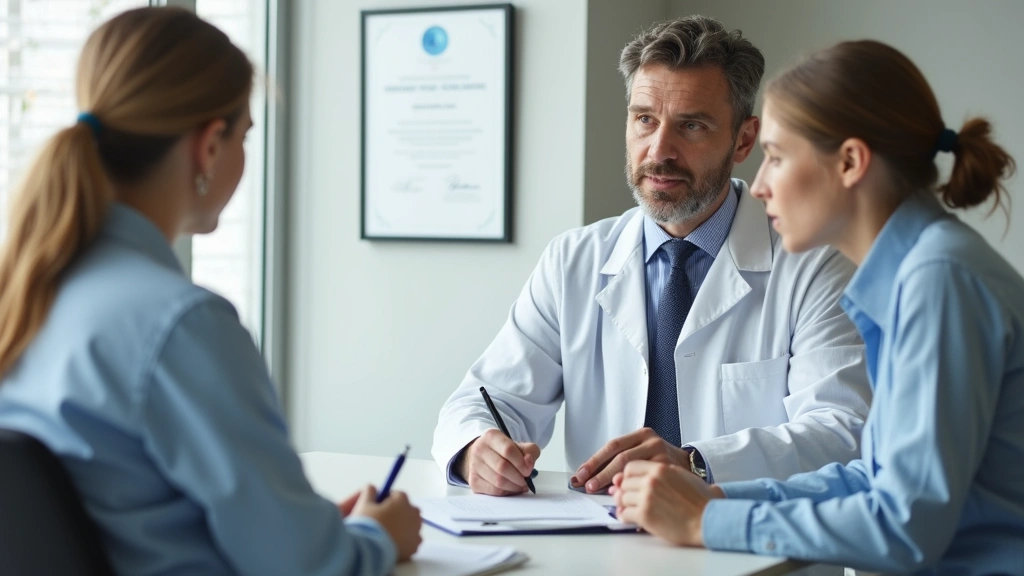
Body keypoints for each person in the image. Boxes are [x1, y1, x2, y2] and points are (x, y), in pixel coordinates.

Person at [0, 8, 420, 576]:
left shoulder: (27, 297)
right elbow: (309, 567)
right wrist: (375, 534)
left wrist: (305, 525)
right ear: (210, 145)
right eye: (245, 134)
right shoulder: (179, 324)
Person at [611, 39, 1023, 574]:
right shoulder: (916, 274)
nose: (758, 186)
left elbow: (905, 526)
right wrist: (713, 502)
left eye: (777, 158)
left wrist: (706, 524)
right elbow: (870, 479)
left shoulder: (939, 280)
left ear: (850, 162)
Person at [432, 15, 872, 497]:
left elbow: (844, 430)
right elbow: (487, 399)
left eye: (692, 125)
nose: (659, 150)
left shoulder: (814, 265)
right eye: (645, 119)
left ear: (744, 140)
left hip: (754, 554)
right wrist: (478, 448)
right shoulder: (572, 261)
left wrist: (697, 464)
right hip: (606, 552)